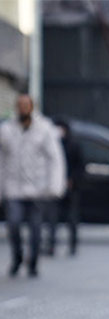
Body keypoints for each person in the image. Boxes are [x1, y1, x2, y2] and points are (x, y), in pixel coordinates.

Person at [0, 94, 65, 277]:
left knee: (36, 229)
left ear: (32, 107)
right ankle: (17, 257)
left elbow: (55, 159)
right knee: (13, 224)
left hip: (37, 188)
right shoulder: (6, 130)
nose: (23, 108)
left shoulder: (44, 129)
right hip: (13, 187)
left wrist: (54, 185)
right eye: (20, 105)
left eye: (26, 105)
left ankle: (33, 262)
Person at [44, 119, 83, 256]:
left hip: (71, 187)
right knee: (52, 218)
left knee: (71, 218)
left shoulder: (74, 145)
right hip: (54, 186)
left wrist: (72, 180)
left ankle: (72, 245)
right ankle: (51, 245)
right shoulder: (51, 144)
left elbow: (80, 166)